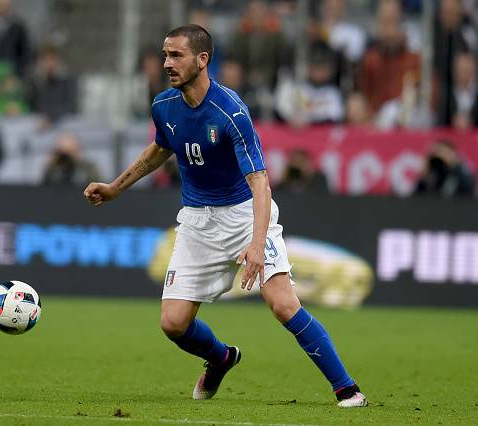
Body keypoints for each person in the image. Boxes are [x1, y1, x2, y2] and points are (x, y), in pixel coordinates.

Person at [84, 25, 367, 408]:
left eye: (176, 56)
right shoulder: (163, 106)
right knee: (173, 323)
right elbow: (160, 148)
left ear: (203, 60)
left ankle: (347, 389)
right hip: (197, 221)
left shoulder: (231, 111)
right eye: (165, 55)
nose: (167, 63)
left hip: (244, 214)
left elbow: (261, 183)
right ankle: (220, 357)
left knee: (283, 303)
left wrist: (255, 243)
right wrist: (117, 187)